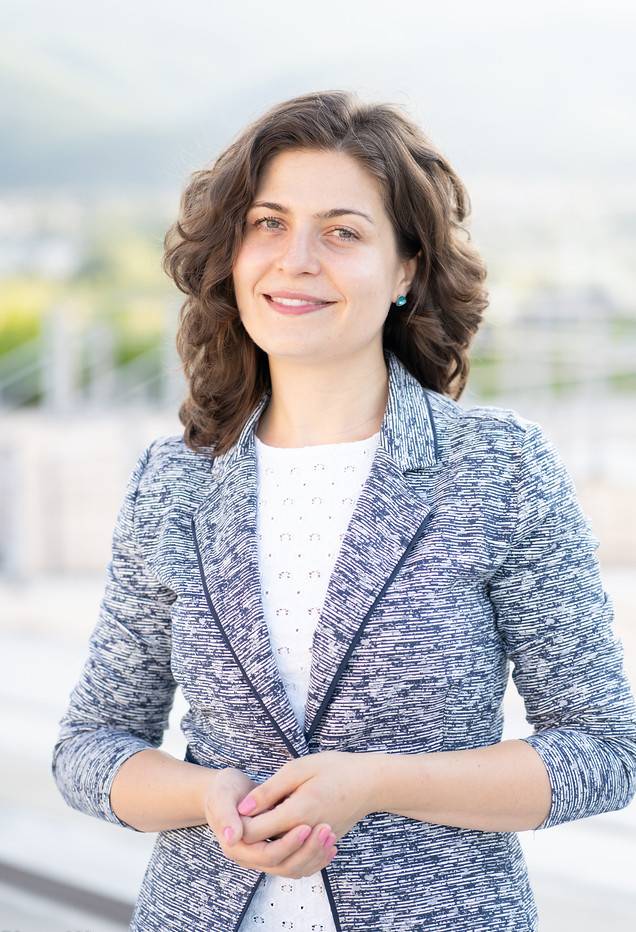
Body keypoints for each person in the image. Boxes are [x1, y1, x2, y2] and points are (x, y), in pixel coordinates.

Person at [51, 89, 636, 932]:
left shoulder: (499, 468)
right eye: (269, 224)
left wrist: (376, 783)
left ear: (406, 271)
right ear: (233, 253)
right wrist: (207, 795)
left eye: (343, 232)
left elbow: (603, 751)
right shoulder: (172, 481)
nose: (296, 259)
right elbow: (90, 745)